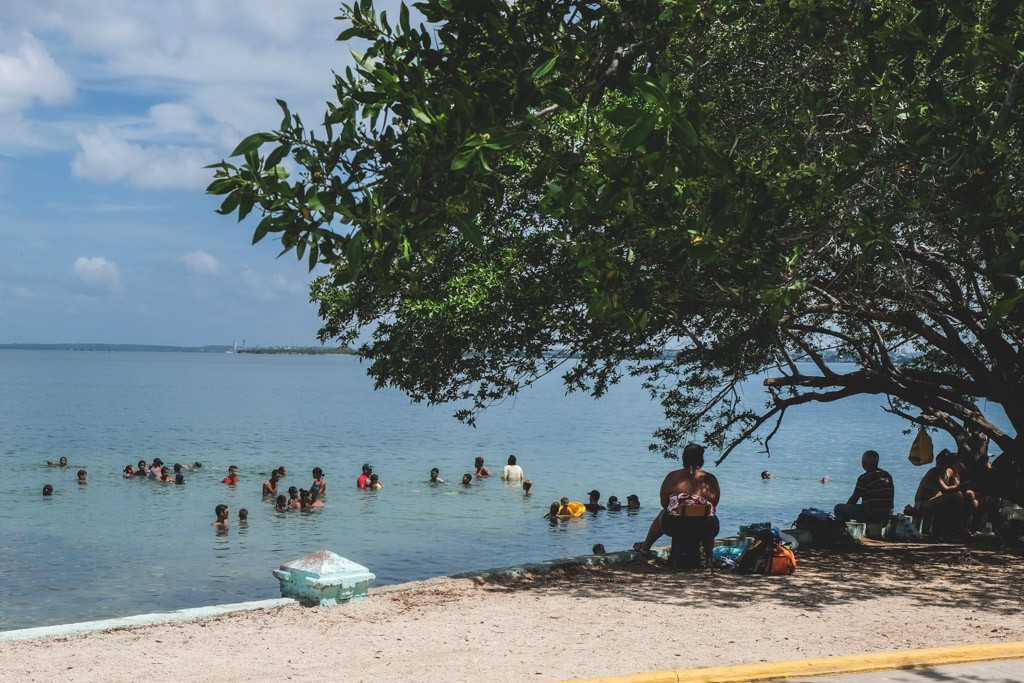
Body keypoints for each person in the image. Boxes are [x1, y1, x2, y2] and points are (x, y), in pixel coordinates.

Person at [633, 444, 720, 564]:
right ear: (701, 460)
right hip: (704, 527)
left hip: (675, 525)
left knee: (662, 513)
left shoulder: (672, 476)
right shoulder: (710, 479)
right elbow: (714, 504)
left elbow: (664, 504)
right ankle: (710, 557)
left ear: (684, 459)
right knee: (709, 516)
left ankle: (646, 547)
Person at [912, 449, 977, 534]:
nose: (939, 466)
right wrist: (963, 486)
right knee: (957, 496)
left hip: (938, 500)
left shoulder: (949, 471)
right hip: (923, 503)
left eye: (942, 464)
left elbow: (957, 486)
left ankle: (965, 526)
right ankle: (957, 527)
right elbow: (945, 489)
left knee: (970, 494)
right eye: (937, 463)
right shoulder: (933, 472)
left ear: (948, 464)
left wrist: (960, 475)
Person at [833, 449, 894, 524]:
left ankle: (843, 531)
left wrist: (846, 509)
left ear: (863, 463)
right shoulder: (887, 475)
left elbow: (854, 499)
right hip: (887, 515)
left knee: (838, 508)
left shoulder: (864, 478)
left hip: (872, 515)